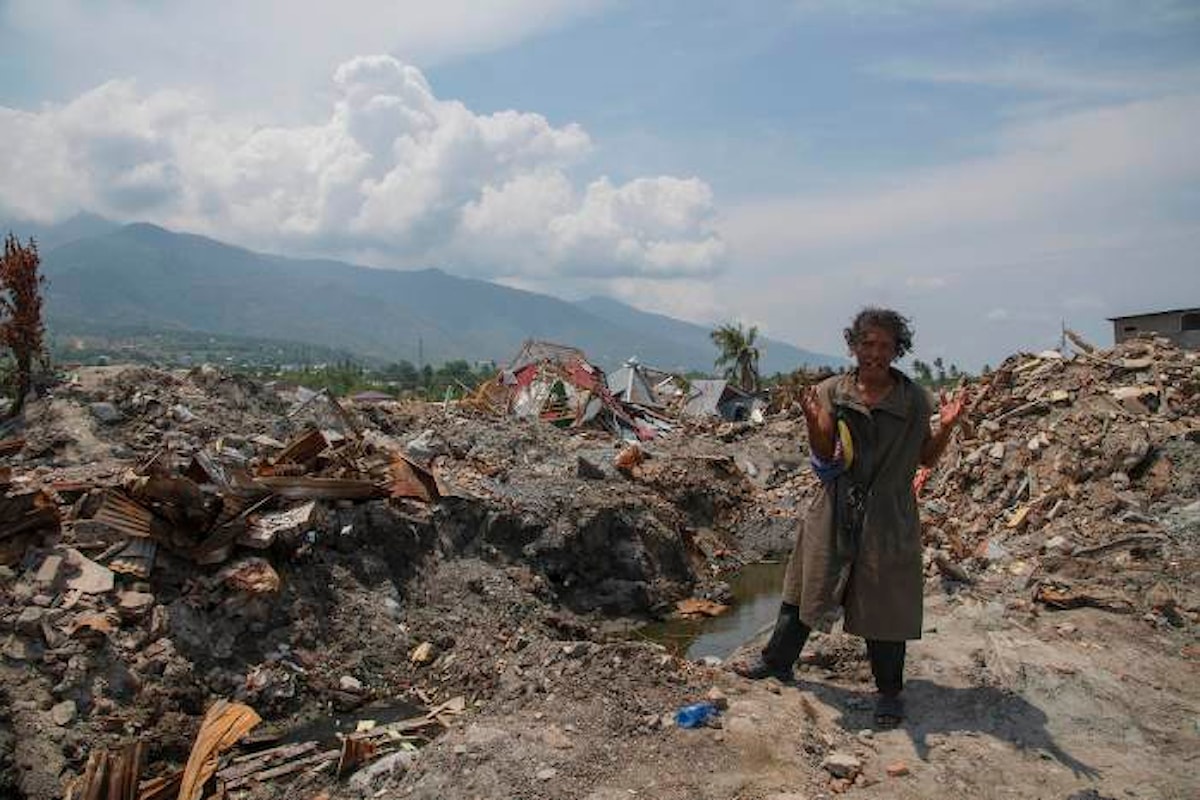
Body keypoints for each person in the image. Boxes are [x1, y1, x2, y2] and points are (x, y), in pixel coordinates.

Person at [733, 307, 968, 728]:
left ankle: (890, 693)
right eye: (867, 344)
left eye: (885, 345)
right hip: (835, 504)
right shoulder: (831, 392)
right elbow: (825, 454)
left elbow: (925, 458)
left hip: (890, 513)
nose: (875, 353)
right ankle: (776, 662)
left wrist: (947, 427)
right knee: (808, 585)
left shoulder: (914, 399)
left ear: (898, 350)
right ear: (854, 346)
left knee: (887, 604)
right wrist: (813, 422)